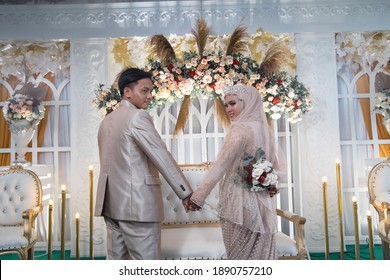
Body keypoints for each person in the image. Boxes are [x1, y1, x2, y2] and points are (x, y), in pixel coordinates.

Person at [95, 67, 198, 260]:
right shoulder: (137, 117)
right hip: (138, 207)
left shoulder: (106, 121)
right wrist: (186, 193)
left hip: (111, 205)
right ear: (127, 92)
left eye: (151, 91)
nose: (150, 96)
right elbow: (161, 155)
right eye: (144, 90)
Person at [188, 84, 286, 260]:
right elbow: (277, 167)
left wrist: (198, 197)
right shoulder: (265, 130)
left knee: (239, 257)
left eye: (232, 103)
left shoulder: (240, 130)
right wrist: (269, 181)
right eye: (226, 105)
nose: (228, 109)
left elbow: (220, 166)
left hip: (239, 201)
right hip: (263, 200)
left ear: (246, 102)